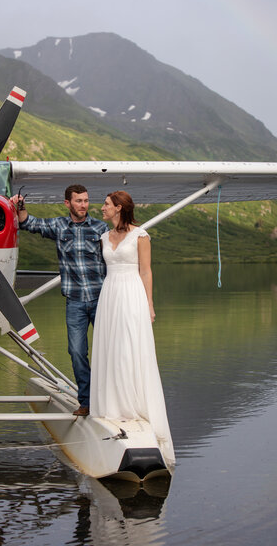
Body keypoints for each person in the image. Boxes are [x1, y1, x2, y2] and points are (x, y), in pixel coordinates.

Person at [89, 191, 174, 458]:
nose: (101, 208)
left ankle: (131, 406)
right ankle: (111, 406)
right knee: (111, 347)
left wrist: (149, 304)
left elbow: (146, 271)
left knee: (128, 346)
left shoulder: (141, 235)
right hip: (110, 293)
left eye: (106, 204)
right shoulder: (103, 236)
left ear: (119, 208)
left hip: (131, 293)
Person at [12, 185, 108, 416]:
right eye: (78, 201)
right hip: (74, 301)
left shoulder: (101, 227)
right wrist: (20, 206)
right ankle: (86, 402)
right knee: (76, 352)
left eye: (86, 200)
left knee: (109, 350)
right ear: (68, 204)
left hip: (101, 299)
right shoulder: (58, 226)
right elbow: (28, 223)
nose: (83, 205)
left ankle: (109, 400)